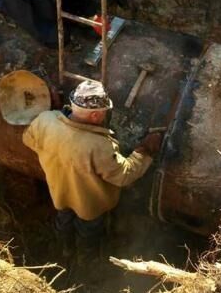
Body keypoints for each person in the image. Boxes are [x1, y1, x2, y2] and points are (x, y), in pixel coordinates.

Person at [22, 81, 162, 253]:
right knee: (88, 230)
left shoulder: (45, 120)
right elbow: (125, 176)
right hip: (89, 206)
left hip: (59, 193)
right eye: (104, 111)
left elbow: (29, 140)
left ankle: (64, 250)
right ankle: (86, 259)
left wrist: (57, 116)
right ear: (95, 116)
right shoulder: (98, 146)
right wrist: (146, 150)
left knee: (63, 220)